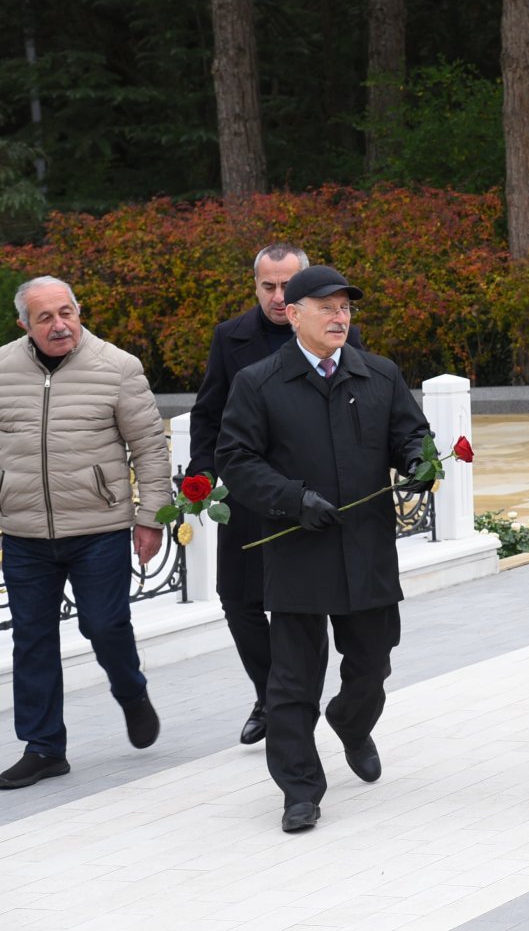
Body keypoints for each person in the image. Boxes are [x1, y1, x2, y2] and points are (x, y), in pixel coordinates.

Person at [217, 266, 433, 833]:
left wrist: (418, 462)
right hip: (299, 550)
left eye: (346, 309)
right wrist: (291, 499)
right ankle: (299, 789)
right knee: (292, 679)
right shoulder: (259, 382)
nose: (341, 318)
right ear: (294, 313)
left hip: (366, 548)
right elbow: (236, 459)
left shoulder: (379, 374)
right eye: (327, 308)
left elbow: (412, 432)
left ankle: (350, 722)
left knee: (373, 663)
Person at [187, 244, 364, 747]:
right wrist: (203, 474)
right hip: (250, 494)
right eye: (269, 286)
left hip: (317, 497)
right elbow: (209, 412)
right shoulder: (231, 338)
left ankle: (307, 700)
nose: (279, 296)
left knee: (307, 607)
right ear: (256, 286)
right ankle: (270, 694)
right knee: (238, 599)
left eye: (288, 286)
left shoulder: (338, 330)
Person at [0, 277, 168, 789]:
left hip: (99, 527)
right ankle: (44, 746)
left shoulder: (118, 367)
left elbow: (150, 448)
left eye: (66, 312)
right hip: (23, 531)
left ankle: (131, 692)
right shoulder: (2, 368)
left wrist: (151, 517)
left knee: (105, 624)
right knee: (31, 638)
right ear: (24, 324)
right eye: (46, 317)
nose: (60, 325)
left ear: (79, 311)